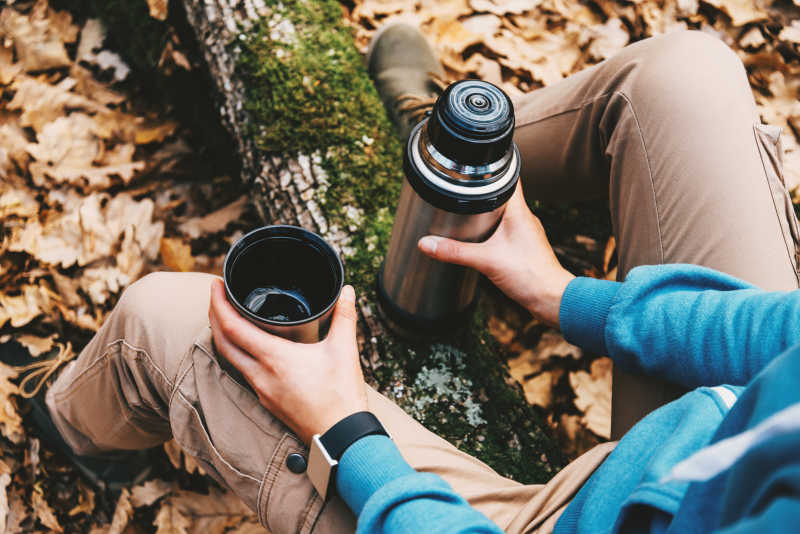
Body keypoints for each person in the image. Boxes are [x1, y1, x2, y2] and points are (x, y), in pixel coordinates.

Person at [6, 23, 800, 534]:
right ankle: (448, 155)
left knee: (159, 321)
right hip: (709, 440)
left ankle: (70, 436)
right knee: (684, 74)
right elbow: (784, 341)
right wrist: (570, 298)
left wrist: (350, 434)